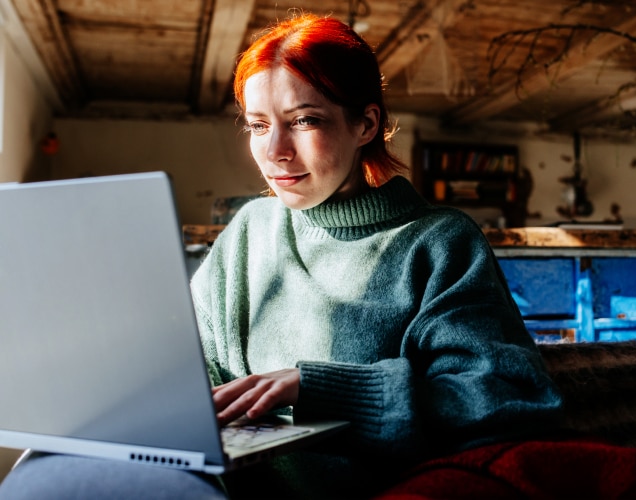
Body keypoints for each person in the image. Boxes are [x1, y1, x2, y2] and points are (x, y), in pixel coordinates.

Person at [0, 12, 564, 500]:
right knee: (42, 478)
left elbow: (507, 404)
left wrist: (315, 386)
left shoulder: (438, 241)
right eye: (259, 125)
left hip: (378, 490)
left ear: (365, 124)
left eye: (304, 121)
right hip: (228, 487)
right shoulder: (250, 230)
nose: (275, 153)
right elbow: (195, 371)